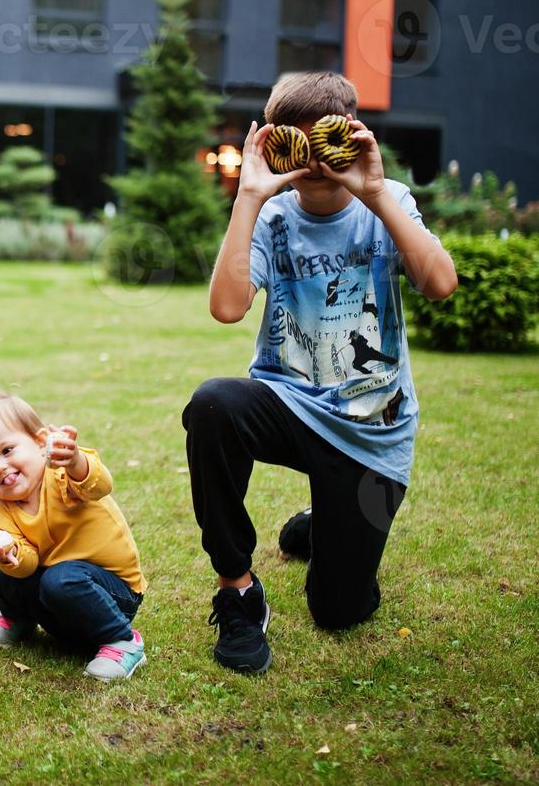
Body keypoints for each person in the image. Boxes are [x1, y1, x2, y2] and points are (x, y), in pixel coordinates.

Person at [184, 71, 457, 674]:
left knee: (339, 610)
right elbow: (227, 308)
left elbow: (439, 284)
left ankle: (320, 527)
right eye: (295, 145)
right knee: (214, 404)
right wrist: (249, 196)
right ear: (277, 143)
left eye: (324, 143)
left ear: (351, 138)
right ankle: (238, 591)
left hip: (371, 429)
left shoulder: (386, 204)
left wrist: (378, 191)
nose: (312, 162)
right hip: (290, 405)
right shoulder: (273, 214)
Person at [0, 390, 147, 682]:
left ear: (39, 442)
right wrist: (11, 557)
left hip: (112, 591)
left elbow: (99, 485)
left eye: (7, 450)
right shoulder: (1, 508)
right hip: (57, 592)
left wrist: (74, 462)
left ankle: (122, 640)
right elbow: (29, 561)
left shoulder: (62, 476)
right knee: (2, 568)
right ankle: (18, 619)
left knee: (62, 578)